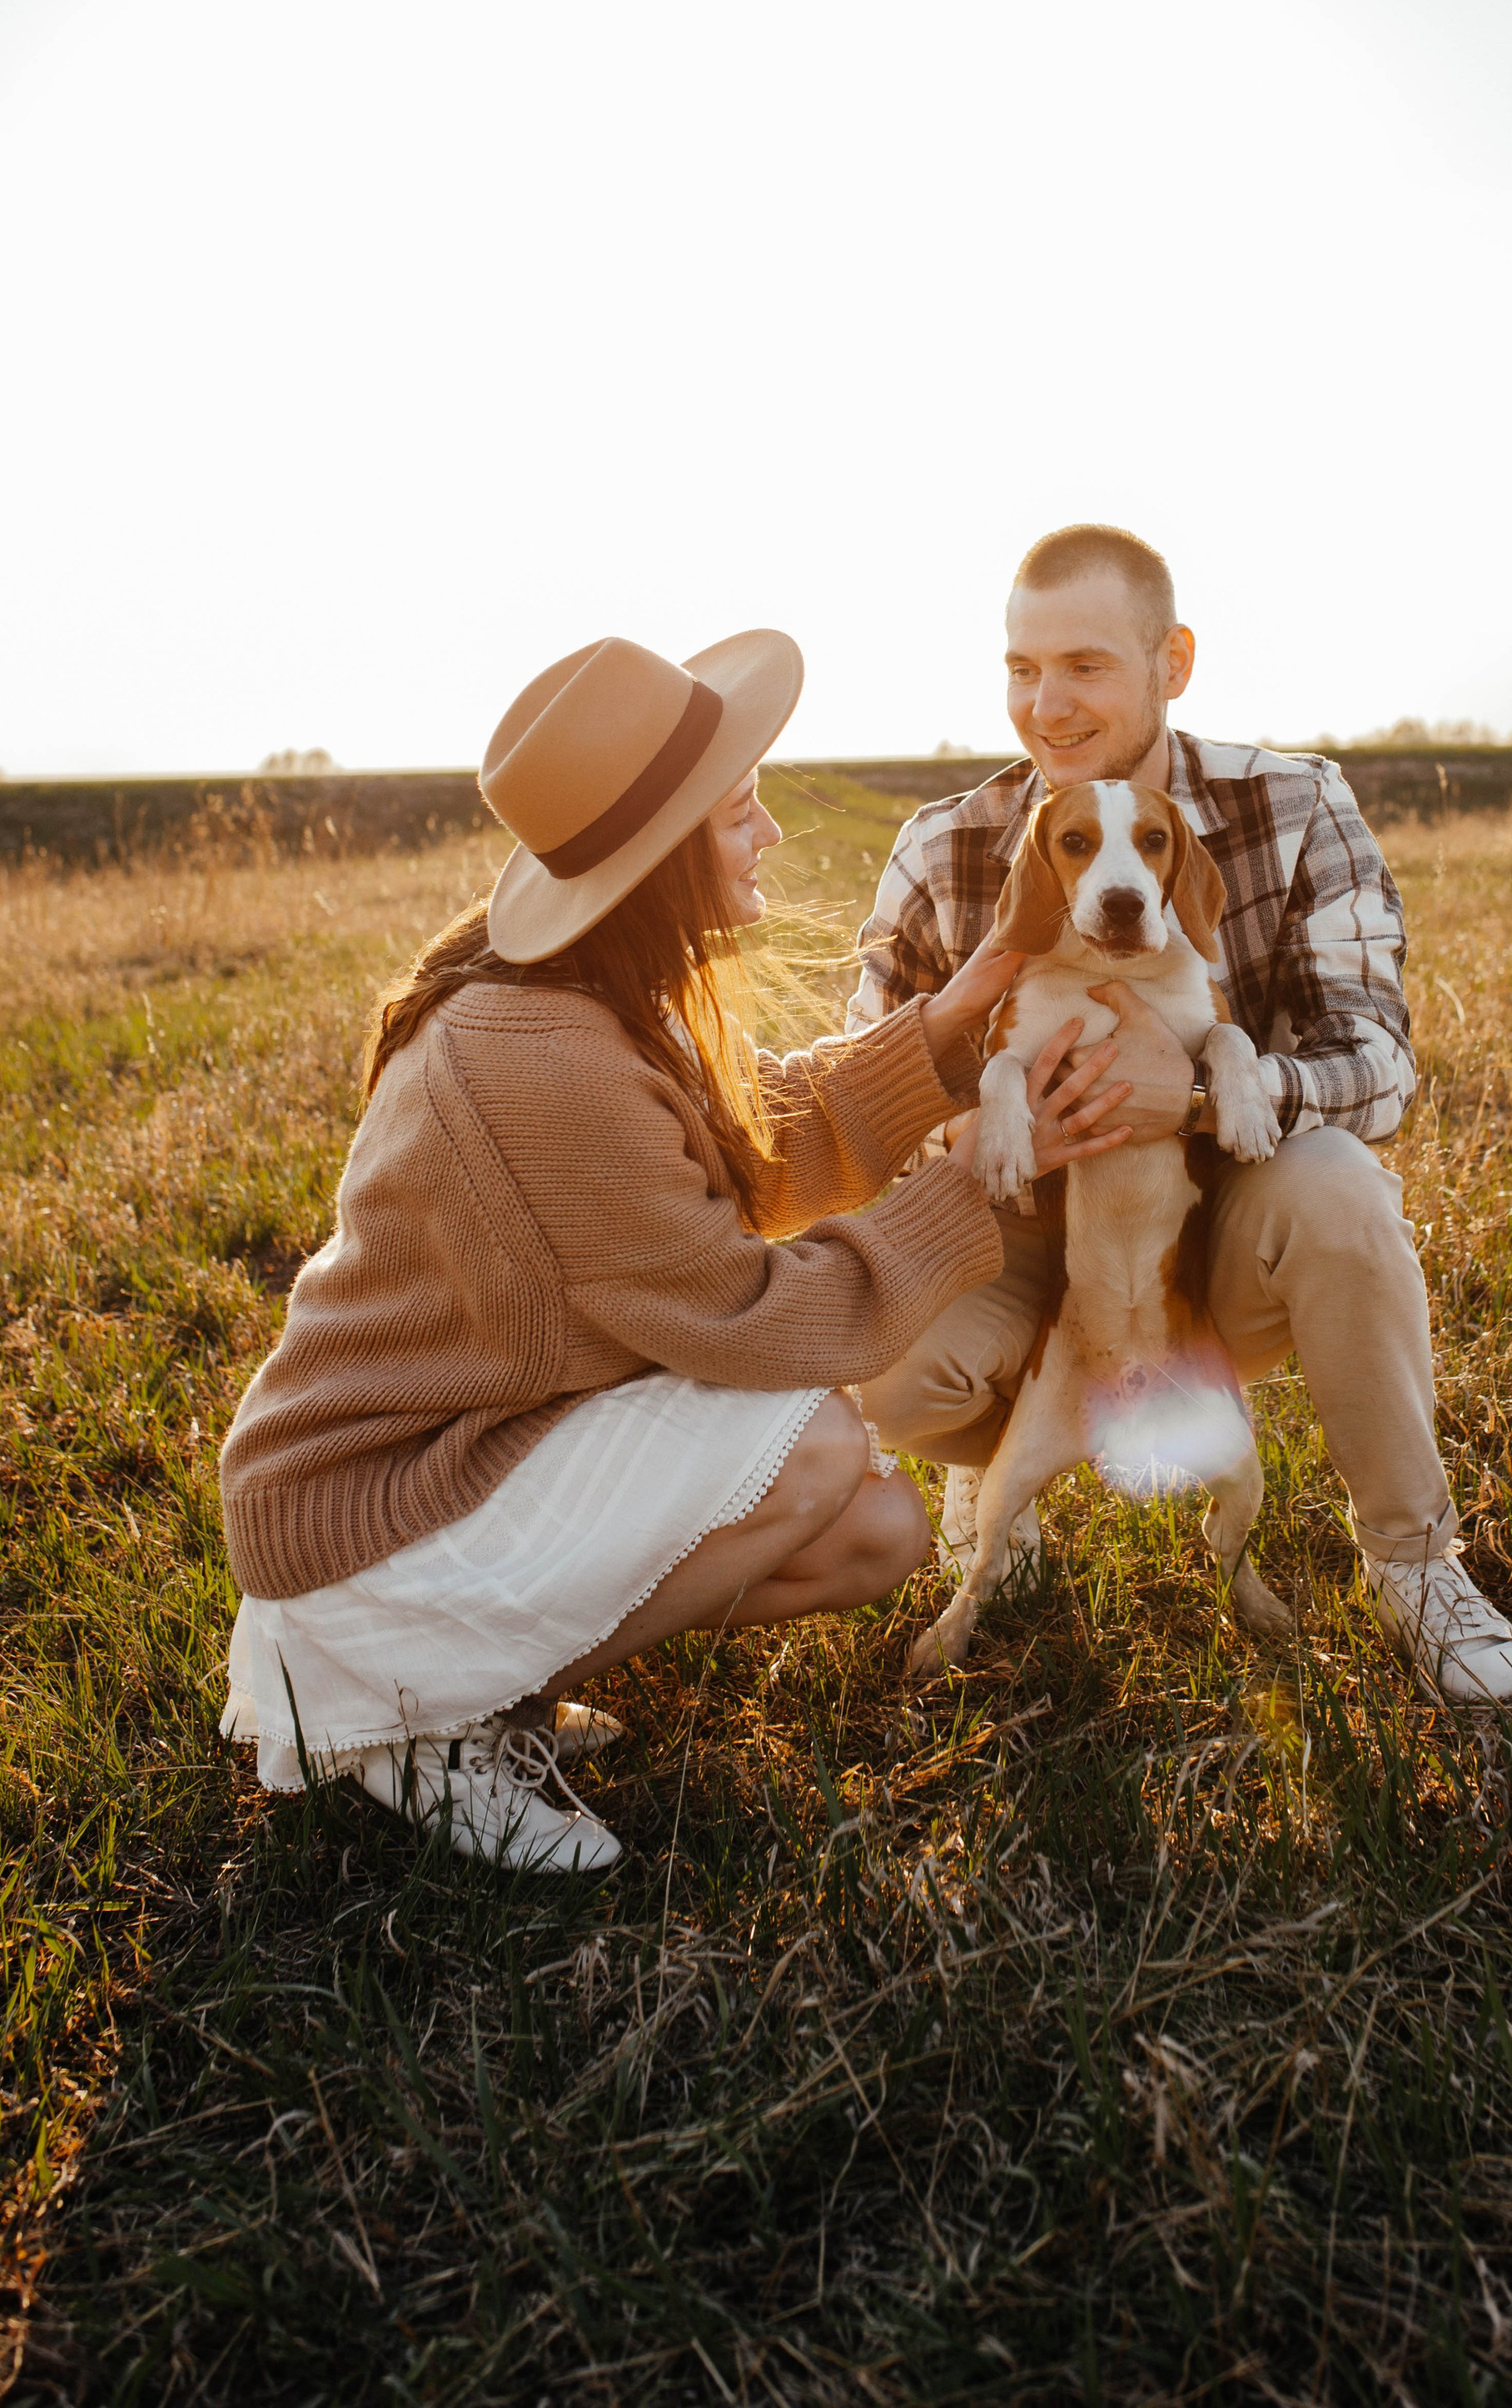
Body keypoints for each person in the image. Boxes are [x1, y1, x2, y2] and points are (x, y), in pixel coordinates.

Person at [217, 629, 1132, 1873]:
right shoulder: (536, 1055)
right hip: (363, 1527)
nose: (772, 840)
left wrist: (945, 1032)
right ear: (659, 864)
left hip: (460, 1462)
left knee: (877, 1534)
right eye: (742, 815)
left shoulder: (590, 1000)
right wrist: (976, 1179)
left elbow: (753, 1144)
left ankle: (488, 1680)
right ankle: (412, 1717)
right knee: (813, 1444)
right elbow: (757, 1320)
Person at [849, 525, 1512, 1709]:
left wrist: (1212, 1093)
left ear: (1173, 659)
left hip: (1211, 1233)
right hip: (1029, 1238)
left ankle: (1417, 1563)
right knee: (889, 1356)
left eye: (1086, 665)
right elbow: (863, 1096)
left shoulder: (1294, 805)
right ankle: (1006, 1470)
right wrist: (964, 1130)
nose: (1047, 704)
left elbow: (1380, 1066)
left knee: (1337, 1184)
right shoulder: (946, 846)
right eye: (1021, 669)